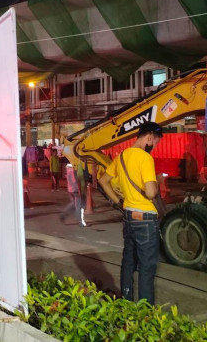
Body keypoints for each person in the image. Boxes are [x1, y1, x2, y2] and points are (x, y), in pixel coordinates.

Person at [98, 122, 163, 305]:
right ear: (150, 137)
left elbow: (103, 181)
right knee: (146, 268)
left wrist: (119, 202)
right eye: (156, 142)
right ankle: (144, 311)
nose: (154, 146)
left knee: (128, 262)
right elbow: (150, 193)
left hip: (128, 216)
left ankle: (126, 302)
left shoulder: (122, 157)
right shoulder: (145, 158)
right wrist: (157, 182)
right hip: (146, 219)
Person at [60, 161, 87, 226]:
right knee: (79, 205)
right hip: (76, 189)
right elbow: (77, 179)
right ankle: (80, 222)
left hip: (71, 189)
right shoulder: (74, 168)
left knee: (75, 204)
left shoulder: (68, 167)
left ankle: (64, 214)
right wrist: (79, 189)